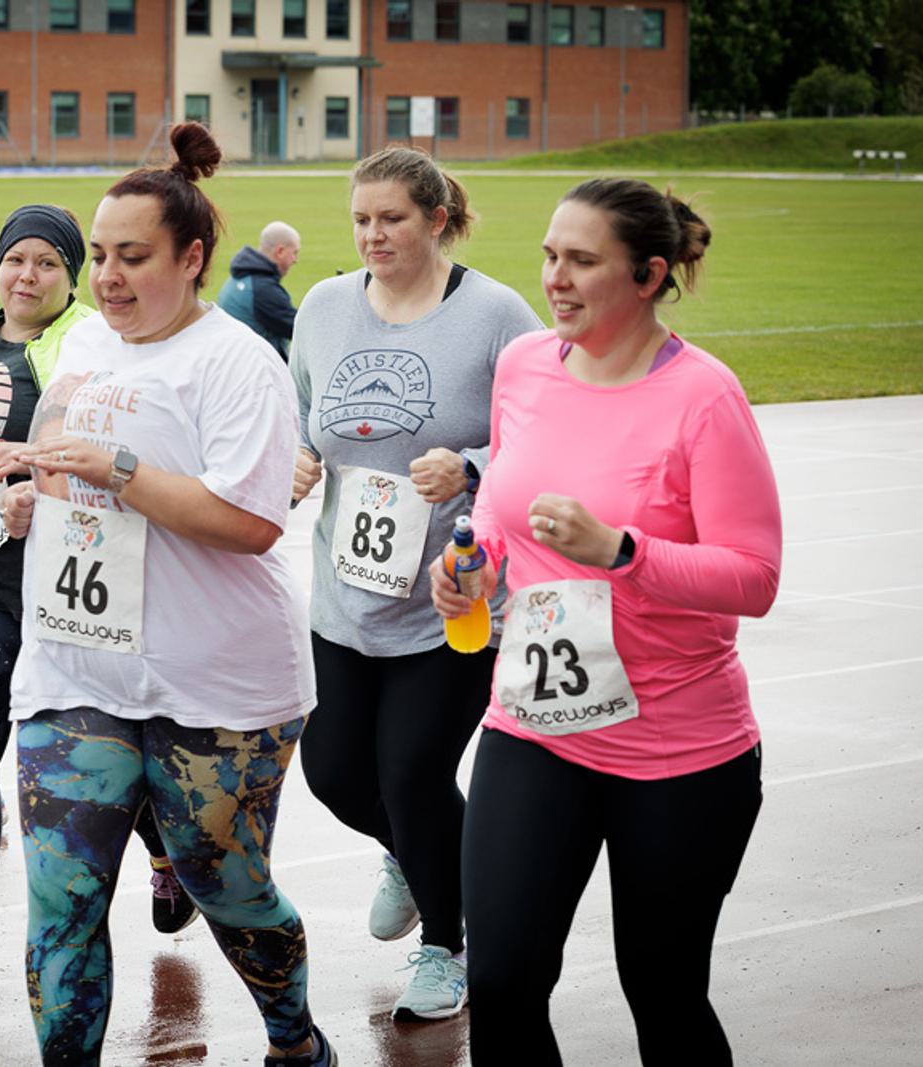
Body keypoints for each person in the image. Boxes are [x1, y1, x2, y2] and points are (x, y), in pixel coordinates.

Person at [0, 123, 336, 1067]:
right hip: (74, 671)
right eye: (98, 256)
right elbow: (67, 465)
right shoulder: (88, 341)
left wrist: (119, 467)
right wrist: (34, 494)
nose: (106, 277)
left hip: (215, 686)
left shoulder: (237, 362)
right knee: (60, 901)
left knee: (229, 892)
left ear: (192, 258)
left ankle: (295, 1040)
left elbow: (251, 520)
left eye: (132, 257)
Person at [429, 178, 780, 1065]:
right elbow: (509, 508)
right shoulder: (525, 367)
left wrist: (624, 551)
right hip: (536, 727)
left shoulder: (704, 397)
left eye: (583, 261)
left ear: (649, 273)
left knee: (661, 990)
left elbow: (756, 576)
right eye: (551, 255)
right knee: (503, 983)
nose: (556, 277)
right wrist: (476, 567)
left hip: (679, 750)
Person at [0, 205, 196, 1002]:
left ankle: (167, 855)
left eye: (46, 264)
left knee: (107, 752)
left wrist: (36, 478)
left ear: (69, 275)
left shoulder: (88, 344)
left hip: (65, 590)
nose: (26, 276)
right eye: (14, 259)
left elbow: (95, 443)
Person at [289, 146, 542, 1021]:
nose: (373, 235)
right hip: (345, 590)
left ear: (436, 219)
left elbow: (543, 441)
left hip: (455, 597)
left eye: (391, 218)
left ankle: (447, 944)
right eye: (361, 219)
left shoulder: (499, 314)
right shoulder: (322, 307)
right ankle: (414, 851)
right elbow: (304, 415)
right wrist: (299, 458)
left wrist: (471, 464)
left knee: (412, 770)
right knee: (330, 771)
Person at [217, 219, 301, 359]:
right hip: (252, 368)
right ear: (280, 251)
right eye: (294, 253)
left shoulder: (238, 279)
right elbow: (299, 329)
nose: (295, 260)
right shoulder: (263, 290)